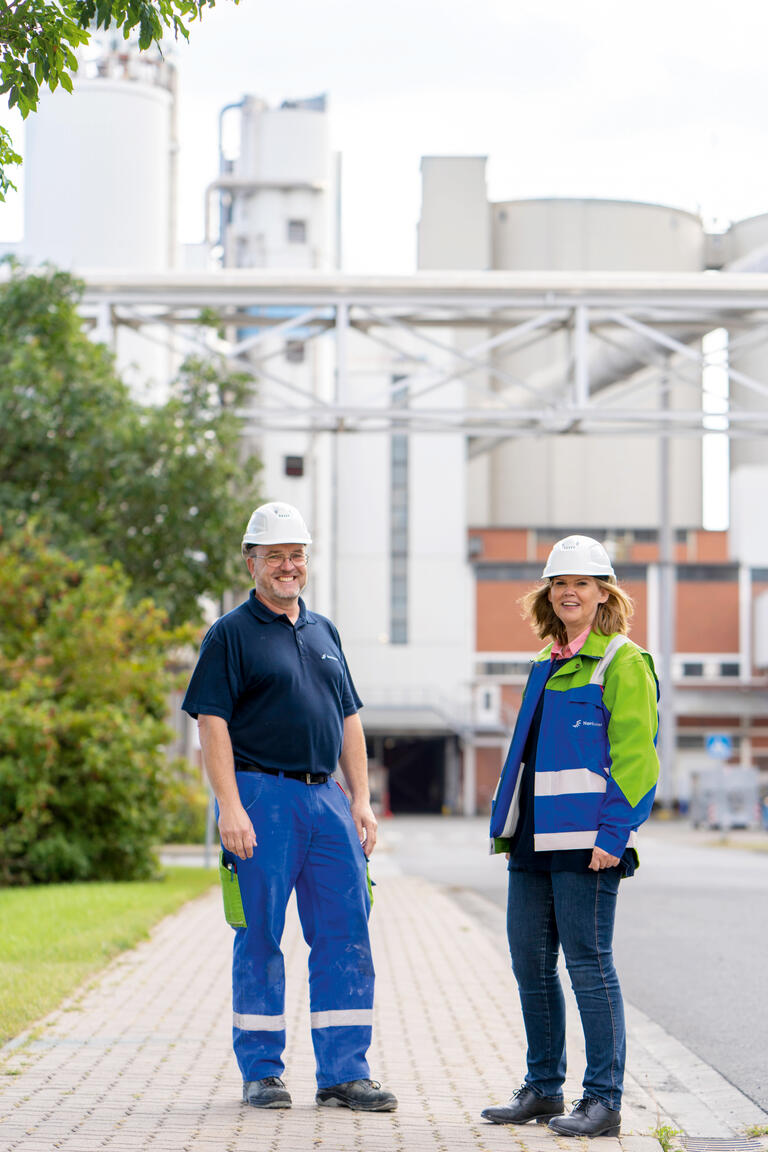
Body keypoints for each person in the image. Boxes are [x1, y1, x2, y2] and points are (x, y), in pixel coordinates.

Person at [181, 501, 397, 1113]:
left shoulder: (325, 632)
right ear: (252, 562)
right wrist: (229, 805)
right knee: (260, 934)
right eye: (273, 555)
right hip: (261, 797)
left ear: (307, 561)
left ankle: (344, 1073)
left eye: (295, 555)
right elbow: (212, 722)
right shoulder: (229, 634)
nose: (286, 566)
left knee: (346, 932)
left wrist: (361, 800)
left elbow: (350, 719)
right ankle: (263, 1072)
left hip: (326, 798)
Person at [481, 535, 659, 1138]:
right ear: (547, 594)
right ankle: (543, 1089)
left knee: (589, 966)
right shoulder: (543, 665)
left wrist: (616, 833)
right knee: (529, 963)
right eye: (560, 584)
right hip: (532, 838)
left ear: (603, 593)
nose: (569, 593)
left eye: (581, 583)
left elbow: (637, 760)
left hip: (589, 843)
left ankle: (603, 1100)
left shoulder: (622, 663)